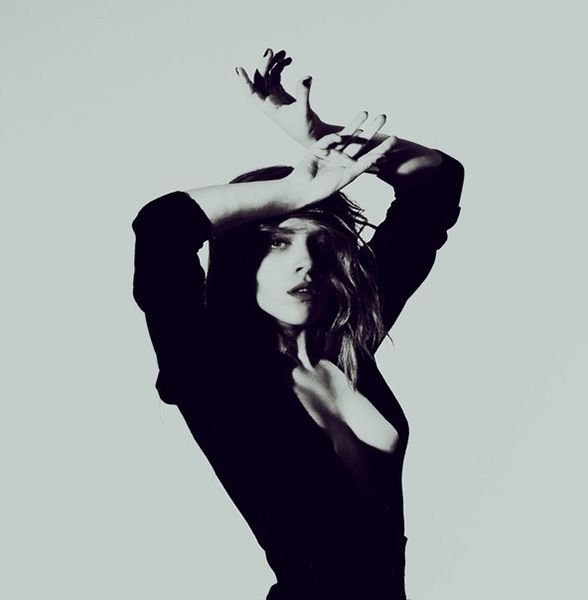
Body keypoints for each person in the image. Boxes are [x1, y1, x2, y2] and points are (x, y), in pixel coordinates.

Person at [132, 48, 464, 600]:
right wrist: (295, 190)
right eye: (277, 243)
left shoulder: (349, 338)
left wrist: (322, 137)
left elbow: (438, 184)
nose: (305, 263)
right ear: (241, 257)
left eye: (318, 243)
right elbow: (161, 228)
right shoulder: (208, 366)